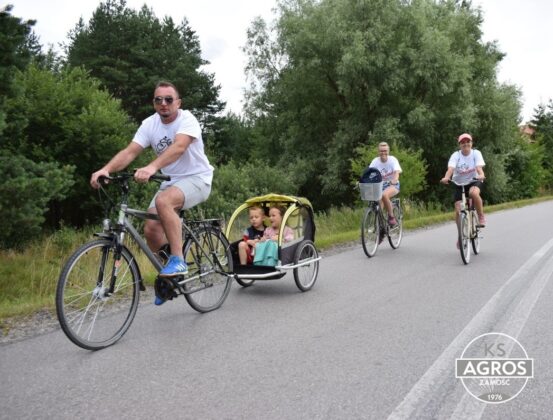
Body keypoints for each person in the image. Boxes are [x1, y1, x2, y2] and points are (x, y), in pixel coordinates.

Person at [90, 81, 213, 304]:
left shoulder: (187, 119)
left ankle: (178, 260)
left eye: (168, 99)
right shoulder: (150, 124)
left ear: (178, 102)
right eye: (158, 100)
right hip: (169, 181)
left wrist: (152, 167)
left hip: (197, 179)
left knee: (164, 202)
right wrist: (106, 169)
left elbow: (179, 147)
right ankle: (170, 277)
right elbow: (130, 152)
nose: (163, 104)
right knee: (151, 228)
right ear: (154, 103)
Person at [440, 133, 486, 247]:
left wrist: (481, 175)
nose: (466, 144)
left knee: (473, 193)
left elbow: (479, 168)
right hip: (459, 183)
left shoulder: (476, 153)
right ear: (459, 145)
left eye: (468, 141)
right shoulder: (456, 155)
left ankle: (481, 216)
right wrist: (446, 177)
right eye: (463, 142)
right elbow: (450, 169)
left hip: (474, 180)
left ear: (471, 143)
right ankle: (461, 235)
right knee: (458, 210)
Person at [369, 142, 402, 227]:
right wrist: (364, 180)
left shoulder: (393, 160)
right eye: (381, 151)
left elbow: (396, 172)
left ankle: (391, 217)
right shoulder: (375, 161)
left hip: (393, 185)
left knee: (384, 195)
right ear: (378, 152)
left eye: (385, 150)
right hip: (380, 186)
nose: (383, 152)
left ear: (388, 151)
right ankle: (380, 228)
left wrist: (395, 180)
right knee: (378, 205)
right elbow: (369, 173)